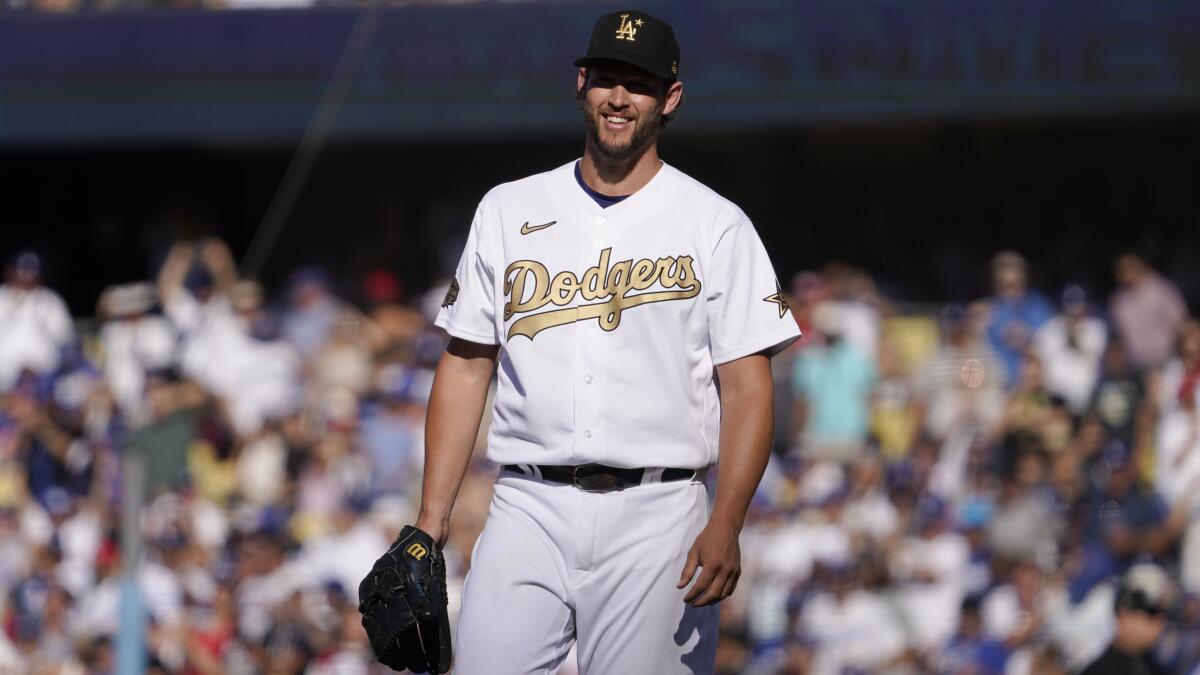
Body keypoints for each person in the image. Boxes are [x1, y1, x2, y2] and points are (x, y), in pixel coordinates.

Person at [398, 9, 801, 674]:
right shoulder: (508, 208)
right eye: (607, 78)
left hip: (660, 507)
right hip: (527, 502)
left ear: (669, 98)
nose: (619, 97)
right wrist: (430, 519)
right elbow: (468, 363)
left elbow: (747, 383)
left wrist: (728, 516)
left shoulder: (716, 224)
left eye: (638, 83)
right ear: (581, 82)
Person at [1079, 563, 1172, 675]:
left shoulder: (1152, 665)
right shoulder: (1098, 670)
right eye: (1151, 612)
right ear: (1123, 616)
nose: (1159, 621)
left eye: (1163, 612)